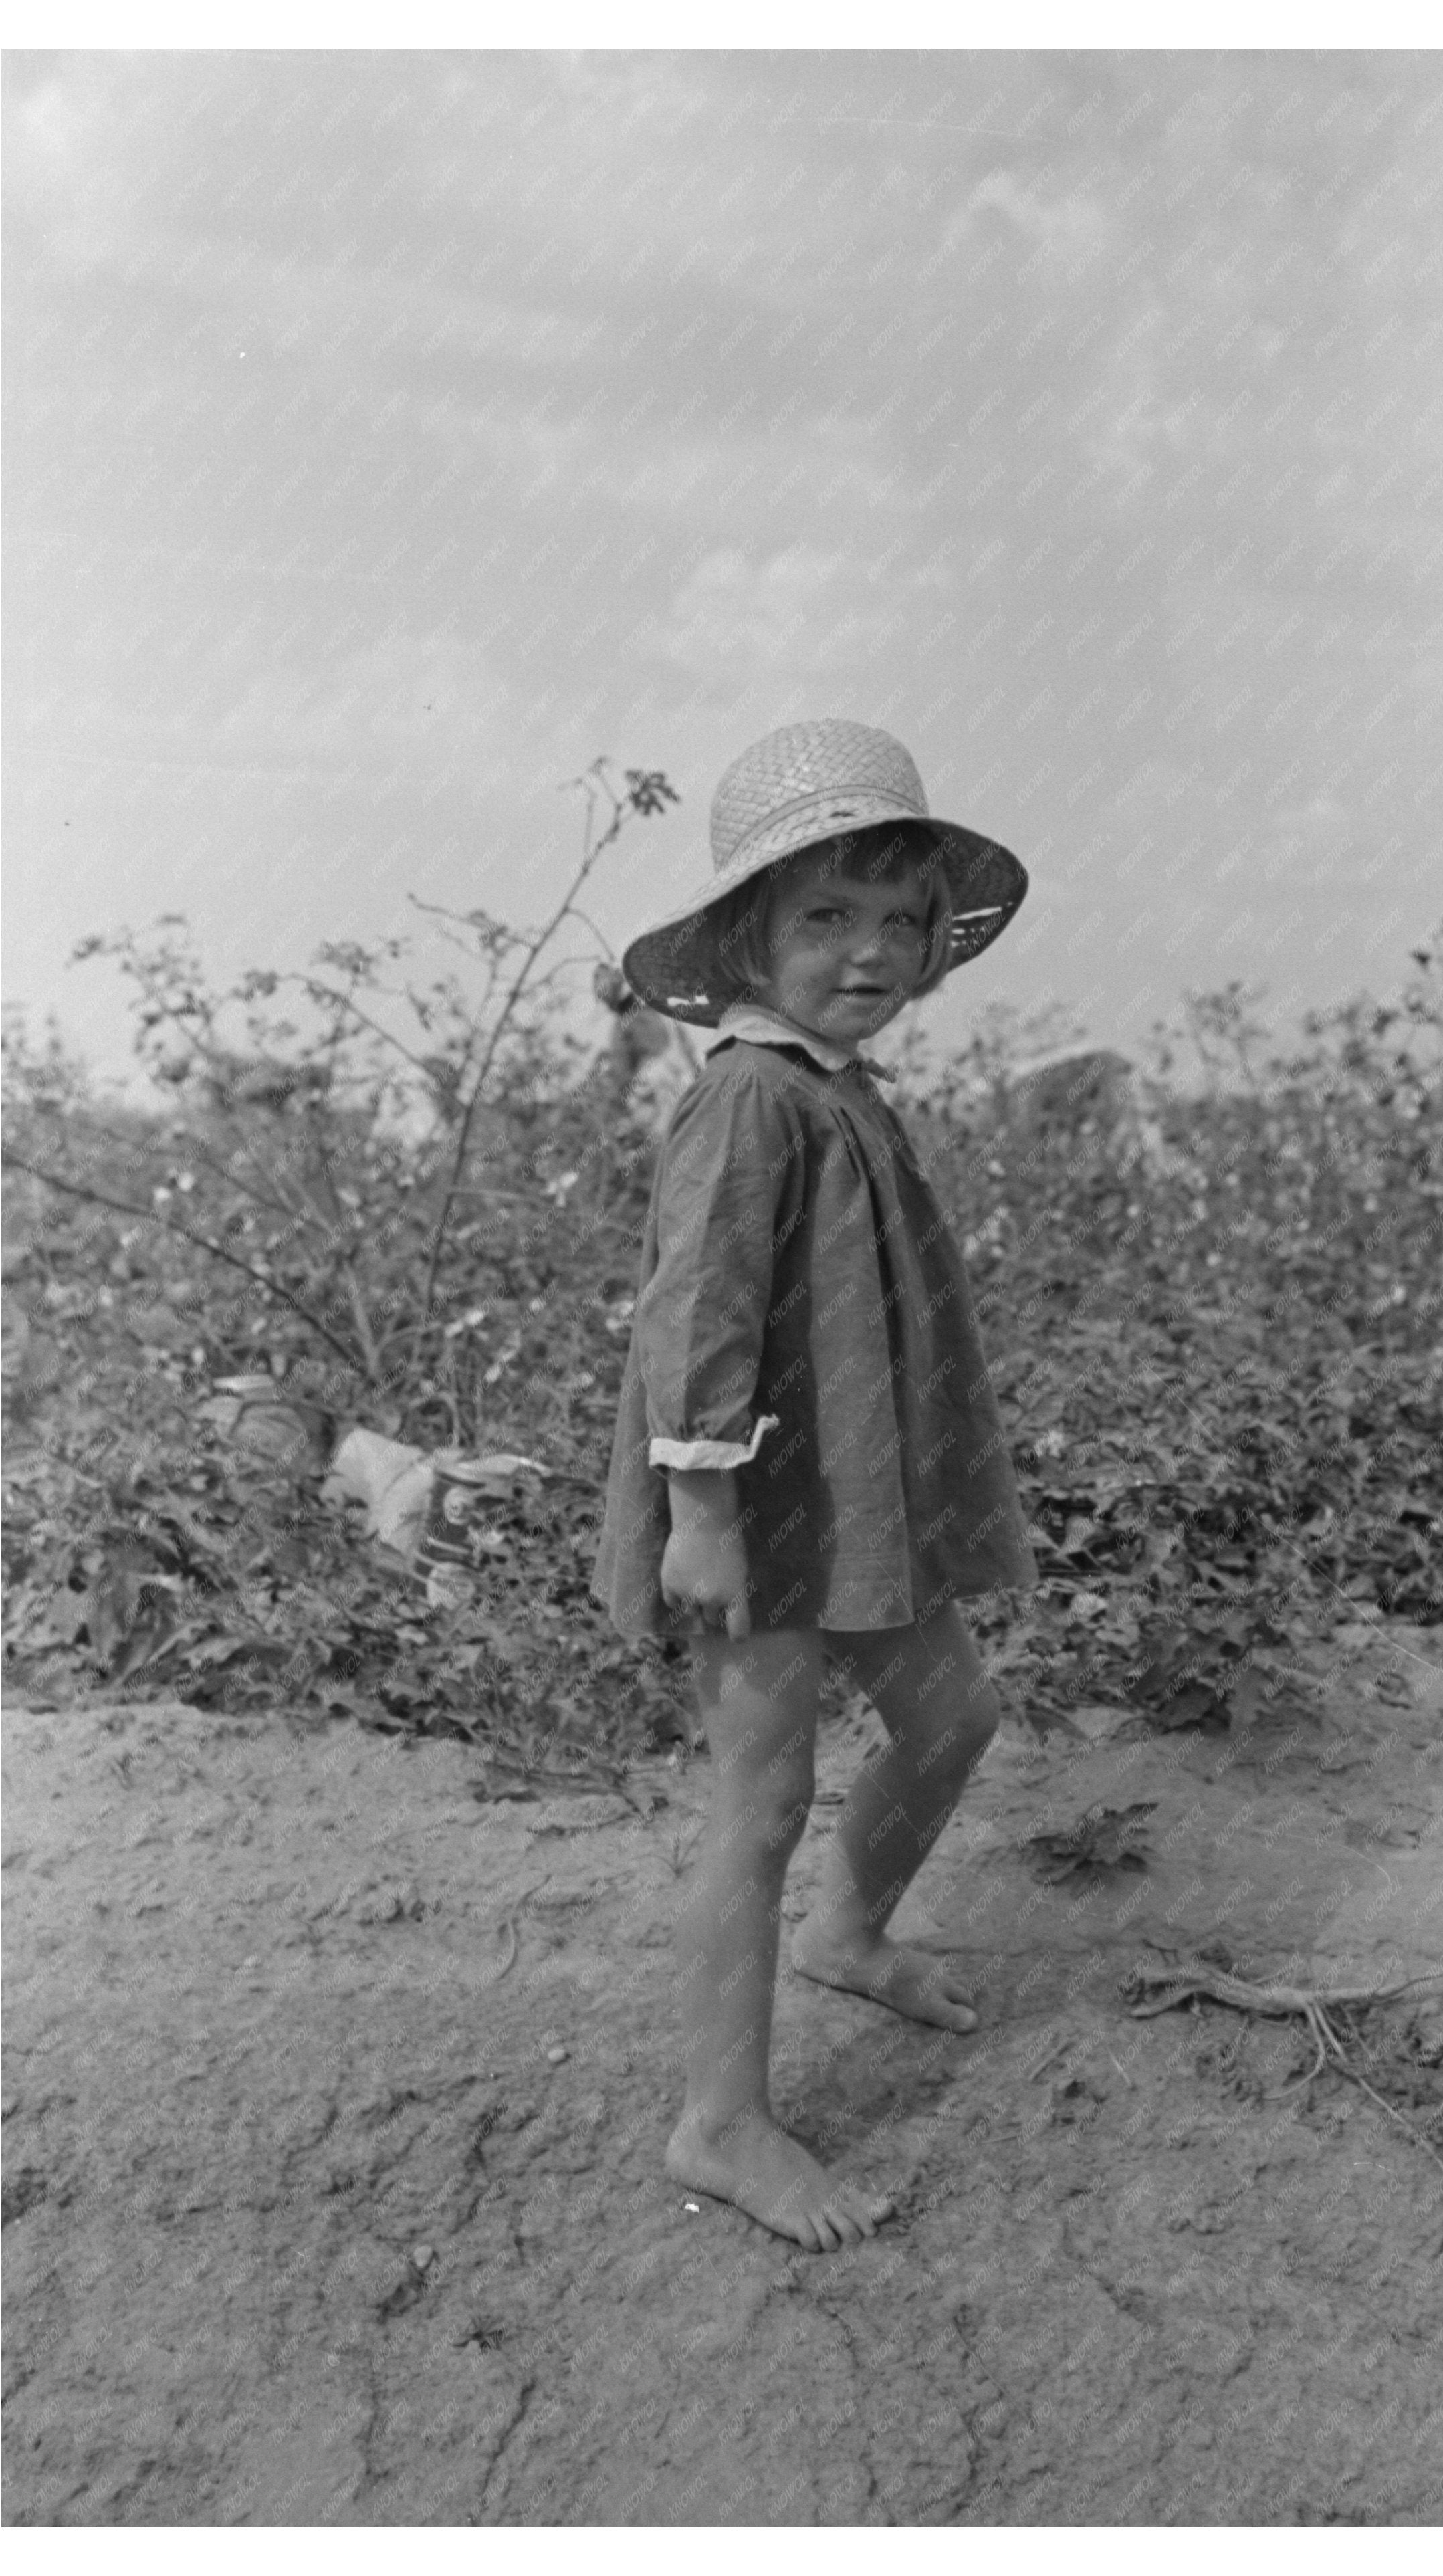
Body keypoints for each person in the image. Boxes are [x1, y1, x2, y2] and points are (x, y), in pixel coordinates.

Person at [590, 719, 1037, 2252]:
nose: (868, 953)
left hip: (858, 1496)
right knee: (760, 1793)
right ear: (744, 940)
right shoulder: (751, 1099)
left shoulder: (839, 1090)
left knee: (950, 1714)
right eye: (822, 919)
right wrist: (703, 1518)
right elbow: (693, 1311)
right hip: (760, 1506)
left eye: (896, 922)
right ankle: (719, 2120)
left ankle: (849, 1933)